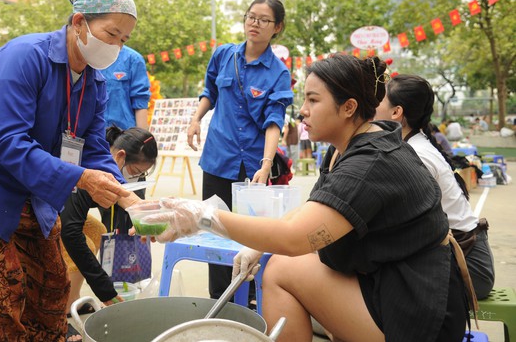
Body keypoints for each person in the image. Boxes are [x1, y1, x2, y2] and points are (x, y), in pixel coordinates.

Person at [152, 55, 468, 341]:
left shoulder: (370, 163)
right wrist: (257, 245)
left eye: (313, 100)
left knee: (279, 270)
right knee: (280, 262)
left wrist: (201, 217)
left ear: (349, 108)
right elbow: (311, 211)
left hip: (418, 310)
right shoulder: (354, 144)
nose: (302, 110)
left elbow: (294, 239)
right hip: (394, 281)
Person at [0, 0, 138, 341]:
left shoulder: (95, 81)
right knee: (1, 299)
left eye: (123, 40)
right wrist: (80, 178)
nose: (116, 47)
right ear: (79, 23)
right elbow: (9, 143)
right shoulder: (24, 56)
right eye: (110, 34)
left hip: (32, 187)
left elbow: (91, 145)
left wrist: (128, 198)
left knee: (52, 285)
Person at [186, 0, 293, 300]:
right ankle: (218, 299)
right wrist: (196, 120)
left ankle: (246, 299)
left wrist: (266, 163)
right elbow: (210, 92)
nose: (254, 24)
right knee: (214, 229)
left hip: (252, 169)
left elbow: (274, 120)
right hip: (218, 159)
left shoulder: (278, 73)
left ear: (277, 27)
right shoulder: (223, 55)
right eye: (251, 17)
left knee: (249, 235)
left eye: (263, 20)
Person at [375, 73, 495, 299]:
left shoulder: (417, 154)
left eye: (379, 102)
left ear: (396, 112)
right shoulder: (414, 145)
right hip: (458, 257)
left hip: (470, 268)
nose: (372, 107)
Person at [60, 126, 157, 340]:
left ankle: (70, 299)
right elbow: (70, 231)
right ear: (120, 156)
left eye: (143, 174)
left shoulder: (115, 167)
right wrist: (105, 291)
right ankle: (57, 316)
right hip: (45, 208)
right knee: (78, 242)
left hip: (65, 213)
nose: (137, 178)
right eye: (135, 172)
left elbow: (129, 206)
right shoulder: (90, 169)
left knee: (97, 230)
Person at [99, 44, 151, 231]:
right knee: (105, 214)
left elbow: (141, 102)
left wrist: (142, 149)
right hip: (97, 149)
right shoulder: (91, 57)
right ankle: (104, 259)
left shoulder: (132, 59)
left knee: (131, 216)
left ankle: (131, 259)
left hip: (127, 150)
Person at [101, 45, 150, 130]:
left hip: (123, 134)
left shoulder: (133, 59)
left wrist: (141, 138)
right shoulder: (86, 58)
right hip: (90, 134)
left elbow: (140, 101)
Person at [281, 106, 299, 172]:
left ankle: (295, 167)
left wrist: (283, 140)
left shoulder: (284, 116)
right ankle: (289, 167)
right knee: (288, 152)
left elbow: (287, 129)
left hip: (293, 133)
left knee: (293, 151)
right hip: (289, 134)